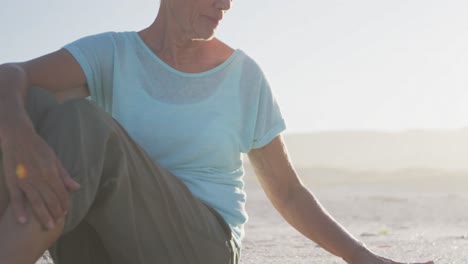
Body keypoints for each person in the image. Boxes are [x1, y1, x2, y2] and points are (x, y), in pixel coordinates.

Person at [0, 0, 435, 263]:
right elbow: (10, 74)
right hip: (107, 248)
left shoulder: (242, 76)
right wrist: (20, 135)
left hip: (200, 249)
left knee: (80, 119)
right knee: (30, 105)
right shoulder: (112, 53)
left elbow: (287, 192)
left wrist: (360, 256)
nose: (225, 3)